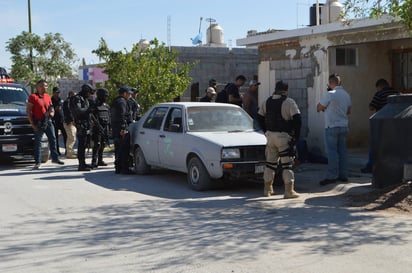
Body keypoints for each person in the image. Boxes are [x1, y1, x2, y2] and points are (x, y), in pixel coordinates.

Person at [257, 80, 301, 198]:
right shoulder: (289, 102)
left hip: (270, 136)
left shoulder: (266, 101)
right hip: (283, 137)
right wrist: (296, 137)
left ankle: (267, 189)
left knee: (270, 164)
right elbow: (297, 120)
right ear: (286, 90)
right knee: (287, 165)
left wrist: (266, 130)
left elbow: (259, 117)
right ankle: (289, 191)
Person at [317, 73, 352, 186]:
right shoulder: (346, 95)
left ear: (330, 83)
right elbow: (348, 111)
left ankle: (332, 176)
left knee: (332, 152)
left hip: (332, 126)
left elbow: (319, 107)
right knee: (342, 152)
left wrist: (326, 108)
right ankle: (343, 175)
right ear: (340, 83)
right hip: (344, 126)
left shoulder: (330, 94)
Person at [361, 79, 399, 173]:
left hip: (381, 124)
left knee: (375, 144)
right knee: (392, 145)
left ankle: (371, 166)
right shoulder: (396, 92)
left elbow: (371, 107)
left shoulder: (379, 94)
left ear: (379, 86)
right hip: (395, 124)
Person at [26, 79, 64, 169]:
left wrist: (52, 113)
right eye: (43, 86)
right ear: (38, 87)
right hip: (38, 122)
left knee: (53, 139)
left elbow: (51, 107)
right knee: (38, 142)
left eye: (46, 86)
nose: (45, 87)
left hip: (48, 122)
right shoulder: (33, 97)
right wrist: (33, 124)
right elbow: (28, 111)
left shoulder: (47, 96)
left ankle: (55, 158)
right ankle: (38, 162)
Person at [70, 84, 95, 171]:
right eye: (89, 93)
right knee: (81, 144)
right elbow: (78, 111)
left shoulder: (85, 99)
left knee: (85, 144)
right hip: (81, 124)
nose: (89, 95)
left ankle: (83, 163)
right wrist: (89, 110)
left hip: (86, 124)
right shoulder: (77, 98)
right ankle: (81, 165)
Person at [111, 86, 134, 174]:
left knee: (118, 149)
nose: (130, 95)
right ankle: (124, 168)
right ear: (124, 93)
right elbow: (122, 116)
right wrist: (123, 128)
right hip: (121, 129)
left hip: (116, 128)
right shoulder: (122, 102)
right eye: (129, 93)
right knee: (124, 149)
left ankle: (118, 168)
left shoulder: (116, 101)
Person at [90, 88, 111, 168]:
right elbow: (91, 117)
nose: (106, 98)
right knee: (97, 145)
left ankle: (100, 160)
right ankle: (94, 161)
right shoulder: (94, 105)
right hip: (97, 128)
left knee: (103, 144)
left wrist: (109, 127)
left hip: (105, 127)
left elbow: (109, 117)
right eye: (105, 96)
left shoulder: (106, 106)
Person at [51, 87, 67, 155]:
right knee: (55, 137)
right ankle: (56, 151)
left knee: (65, 135)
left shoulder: (61, 100)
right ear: (53, 93)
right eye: (56, 93)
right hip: (54, 120)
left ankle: (67, 150)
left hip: (61, 120)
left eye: (58, 93)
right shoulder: (51, 100)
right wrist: (55, 108)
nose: (58, 94)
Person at [63, 91, 77, 159]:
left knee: (72, 137)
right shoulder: (68, 102)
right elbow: (69, 112)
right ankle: (69, 153)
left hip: (72, 122)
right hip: (69, 122)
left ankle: (71, 152)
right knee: (71, 137)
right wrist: (73, 120)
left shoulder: (71, 102)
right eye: (74, 95)